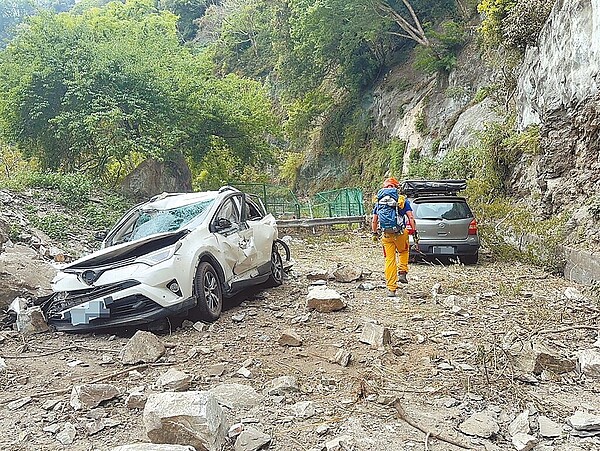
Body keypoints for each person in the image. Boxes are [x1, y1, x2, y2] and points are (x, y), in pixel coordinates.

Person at [371, 177, 418, 297]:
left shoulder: (379, 202)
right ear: (396, 187)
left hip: (386, 235)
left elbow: (374, 221)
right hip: (401, 233)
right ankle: (402, 272)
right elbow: (411, 218)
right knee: (403, 251)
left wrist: (375, 233)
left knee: (389, 260)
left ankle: (391, 289)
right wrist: (414, 231)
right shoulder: (402, 200)